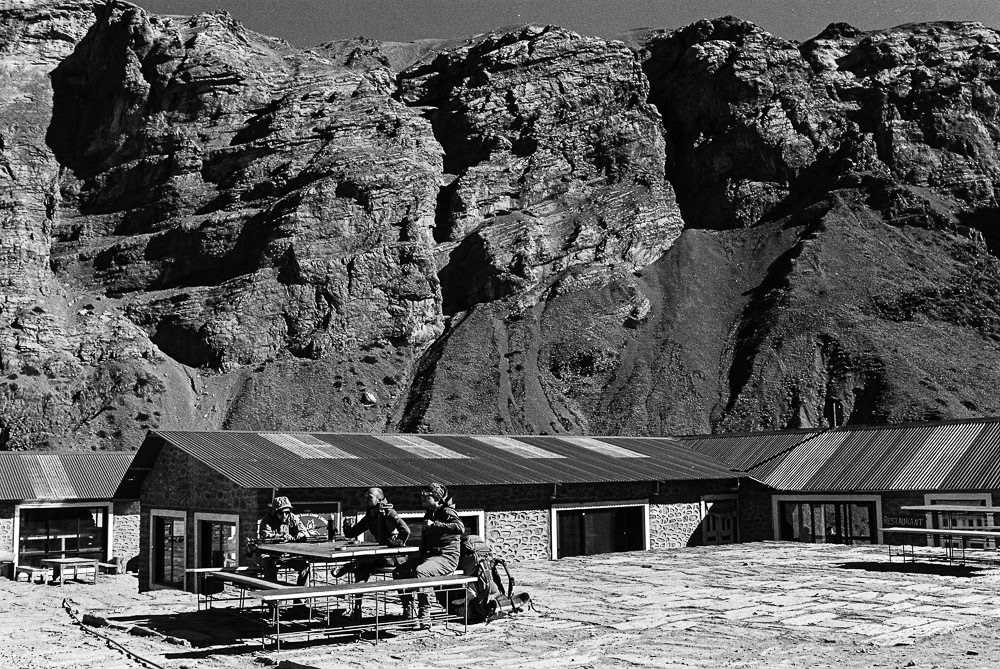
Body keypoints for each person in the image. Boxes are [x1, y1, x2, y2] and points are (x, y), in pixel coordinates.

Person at [393, 482, 464, 628]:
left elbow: (460, 528)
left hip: (447, 557)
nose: (423, 500)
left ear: (437, 497)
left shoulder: (447, 512)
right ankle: (408, 609)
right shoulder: (429, 513)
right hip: (430, 556)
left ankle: (424, 615)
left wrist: (435, 525)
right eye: (422, 497)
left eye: (427, 497)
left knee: (422, 572)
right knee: (399, 572)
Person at [339, 487, 411, 621]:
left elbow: (406, 530)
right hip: (380, 556)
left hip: (395, 557)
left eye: (369, 497)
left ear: (379, 499)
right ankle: (357, 609)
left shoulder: (388, 512)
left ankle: (408, 609)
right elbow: (352, 533)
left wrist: (396, 544)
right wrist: (346, 526)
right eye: (365, 497)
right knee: (361, 570)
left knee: (364, 562)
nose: (366, 499)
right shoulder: (370, 516)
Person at [258, 496, 311, 587]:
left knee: (305, 566)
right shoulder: (267, 520)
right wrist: (280, 537)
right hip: (270, 554)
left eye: (287, 512)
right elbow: (265, 536)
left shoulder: (293, 518)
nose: (284, 515)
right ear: (275, 512)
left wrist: (301, 534)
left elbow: (305, 532)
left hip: (288, 555)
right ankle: (272, 596)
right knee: (268, 565)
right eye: (280, 513)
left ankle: (300, 597)